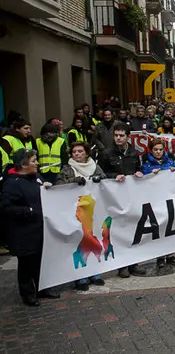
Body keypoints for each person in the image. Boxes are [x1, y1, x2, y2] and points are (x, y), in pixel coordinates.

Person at [0, 149, 59, 307]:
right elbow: (6, 208)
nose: (37, 163)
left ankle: (42, 288)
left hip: (39, 229)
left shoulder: (36, 178)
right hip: (24, 232)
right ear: (23, 164)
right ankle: (27, 293)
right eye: (33, 161)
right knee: (27, 264)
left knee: (41, 261)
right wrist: (28, 211)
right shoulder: (12, 183)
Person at [56, 142, 107, 290]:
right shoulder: (67, 169)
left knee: (93, 238)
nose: (77, 154)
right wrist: (73, 181)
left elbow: (105, 181)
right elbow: (59, 185)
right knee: (79, 240)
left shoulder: (95, 167)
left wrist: (100, 180)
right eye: (74, 152)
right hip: (76, 211)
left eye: (80, 151)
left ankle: (94, 272)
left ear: (86, 153)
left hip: (93, 209)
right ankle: (80, 276)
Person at [98, 123, 147, 278]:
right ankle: (122, 266)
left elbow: (138, 168)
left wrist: (139, 172)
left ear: (128, 136)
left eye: (121, 135)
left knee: (133, 229)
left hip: (131, 197)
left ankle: (134, 263)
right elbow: (100, 174)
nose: (118, 138)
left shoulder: (133, 153)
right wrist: (114, 177)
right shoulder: (106, 153)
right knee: (119, 231)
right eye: (116, 135)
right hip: (115, 199)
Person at [141, 138, 175, 267]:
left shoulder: (170, 160)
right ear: (151, 150)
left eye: (160, 149)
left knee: (170, 225)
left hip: (169, 197)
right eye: (155, 150)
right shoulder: (146, 163)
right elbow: (141, 178)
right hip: (154, 199)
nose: (158, 152)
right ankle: (160, 256)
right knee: (157, 227)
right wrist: (149, 174)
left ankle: (170, 254)